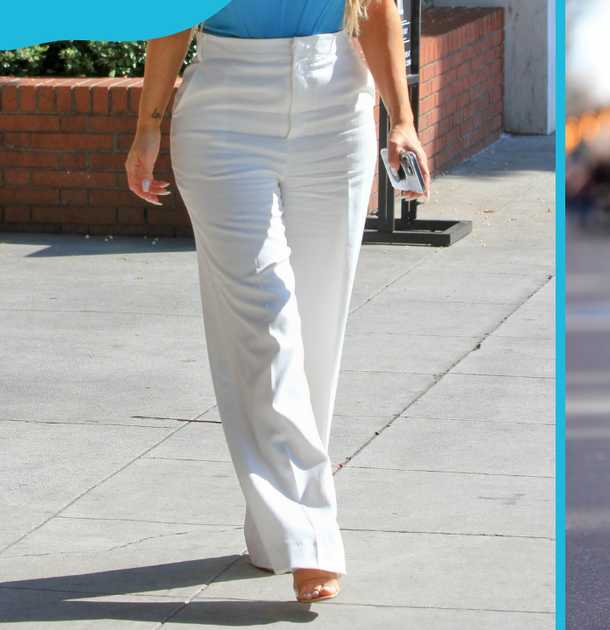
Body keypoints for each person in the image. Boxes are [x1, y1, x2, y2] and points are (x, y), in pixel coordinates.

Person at [124, 0, 431, 604]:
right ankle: (310, 537)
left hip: (336, 104)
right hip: (225, 110)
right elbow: (172, 18)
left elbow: (374, 8)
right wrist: (147, 126)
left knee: (315, 333)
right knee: (265, 324)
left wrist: (401, 119)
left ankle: (276, 532)